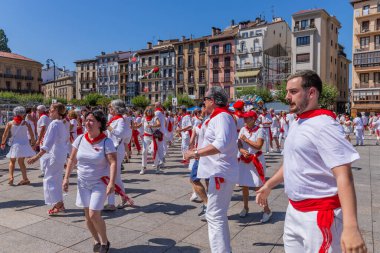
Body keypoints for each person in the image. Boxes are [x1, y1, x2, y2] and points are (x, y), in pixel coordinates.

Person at [256, 70, 367, 253]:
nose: (286, 97)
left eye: (293, 91)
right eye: (287, 92)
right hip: (294, 211)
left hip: (319, 216)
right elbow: (292, 163)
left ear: (311, 93)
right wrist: (269, 184)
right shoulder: (297, 122)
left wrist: (351, 227)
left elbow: (344, 176)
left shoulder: (325, 125)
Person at [185, 86, 239, 253]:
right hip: (218, 172)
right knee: (216, 216)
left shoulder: (221, 116)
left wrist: (195, 153)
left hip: (220, 172)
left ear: (212, 101)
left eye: (205, 100)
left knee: (214, 216)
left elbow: (221, 144)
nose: (204, 103)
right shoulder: (219, 117)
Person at [63, 110, 116, 253]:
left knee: (94, 214)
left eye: (91, 120)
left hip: (99, 182)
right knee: (87, 216)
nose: (88, 123)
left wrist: (111, 182)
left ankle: (105, 242)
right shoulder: (80, 139)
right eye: (86, 120)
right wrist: (66, 178)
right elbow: (72, 160)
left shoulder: (107, 141)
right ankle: (96, 240)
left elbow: (113, 162)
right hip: (82, 182)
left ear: (100, 123)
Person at [28, 103, 68, 215]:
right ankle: (59, 202)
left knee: (50, 179)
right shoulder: (62, 123)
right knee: (56, 179)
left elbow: (47, 144)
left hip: (54, 155)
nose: (48, 112)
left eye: (50, 110)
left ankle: (58, 204)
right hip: (60, 155)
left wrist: (36, 157)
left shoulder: (55, 124)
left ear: (56, 111)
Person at [237, 110, 272, 222]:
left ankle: (267, 210)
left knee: (258, 186)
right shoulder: (243, 129)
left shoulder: (260, 130)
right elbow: (239, 143)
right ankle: (245, 207)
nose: (245, 120)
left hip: (255, 160)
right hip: (244, 160)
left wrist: (246, 140)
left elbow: (258, 146)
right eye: (244, 118)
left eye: (247, 118)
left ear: (253, 119)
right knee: (244, 185)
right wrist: (242, 150)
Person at [1, 106, 35, 186]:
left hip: (15, 144)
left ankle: (11, 177)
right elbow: (32, 134)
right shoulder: (26, 123)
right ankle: (25, 178)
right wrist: (33, 143)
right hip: (24, 144)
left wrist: (2, 143)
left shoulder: (10, 123)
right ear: (23, 114)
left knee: (12, 161)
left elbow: (5, 134)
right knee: (21, 162)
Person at [104, 99, 128, 211]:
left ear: (116, 109)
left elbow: (120, 134)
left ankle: (117, 200)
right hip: (111, 149)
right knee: (112, 176)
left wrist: (108, 128)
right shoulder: (113, 120)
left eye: (111, 107)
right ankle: (114, 201)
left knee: (114, 176)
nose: (109, 109)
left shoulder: (121, 120)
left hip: (117, 150)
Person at [188, 102, 209, 217]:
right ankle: (207, 204)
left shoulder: (209, 123)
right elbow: (192, 140)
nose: (200, 112)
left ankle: (207, 205)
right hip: (200, 155)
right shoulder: (199, 126)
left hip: (206, 156)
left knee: (199, 179)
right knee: (195, 179)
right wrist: (192, 148)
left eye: (202, 108)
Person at [137, 106, 161, 175]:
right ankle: (143, 167)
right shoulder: (143, 118)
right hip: (146, 137)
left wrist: (152, 126)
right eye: (148, 110)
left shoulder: (155, 118)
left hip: (153, 136)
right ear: (146, 112)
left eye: (150, 110)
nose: (149, 112)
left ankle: (157, 166)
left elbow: (159, 124)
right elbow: (139, 125)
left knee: (153, 151)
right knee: (144, 151)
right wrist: (134, 127)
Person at [35, 105, 51, 178]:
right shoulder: (44, 116)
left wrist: (39, 139)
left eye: (37, 110)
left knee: (43, 154)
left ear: (41, 110)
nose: (37, 111)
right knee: (44, 154)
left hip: (43, 138)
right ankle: (45, 169)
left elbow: (43, 128)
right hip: (44, 137)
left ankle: (44, 170)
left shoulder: (43, 117)